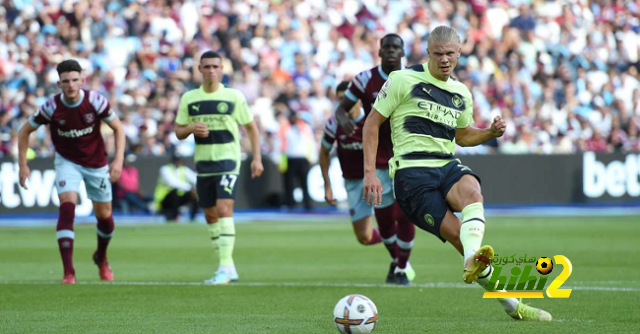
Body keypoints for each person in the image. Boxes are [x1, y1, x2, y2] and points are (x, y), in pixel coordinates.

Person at [362, 26, 552, 321]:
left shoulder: (461, 93)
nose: (444, 59)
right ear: (428, 53)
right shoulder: (402, 80)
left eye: (450, 53)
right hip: (412, 174)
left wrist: (489, 132)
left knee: (474, 193)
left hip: (446, 163)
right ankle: (514, 306)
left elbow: (462, 135)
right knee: (463, 242)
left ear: (460, 53)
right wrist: (370, 173)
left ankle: (474, 262)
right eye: (438, 54)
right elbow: (371, 124)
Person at [17, 59, 125, 284]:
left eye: (75, 80)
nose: (71, 85)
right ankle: (69, 272)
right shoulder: (51, 107)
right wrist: (23, 164)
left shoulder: (95, 100)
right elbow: (24, 131)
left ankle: (101, 257)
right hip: (67, 162)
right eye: (66, 81)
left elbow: (118, 128)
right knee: (67, 207)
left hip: (96, 163)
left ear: (82, 80)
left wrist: (118, 161)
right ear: (59, 84)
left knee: (105, 217)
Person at [174, 51, 264, 285]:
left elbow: (251, 128)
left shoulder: (234, 96)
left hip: (228, 160)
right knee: (210, 215)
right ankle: (229, 266)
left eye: (215, 66)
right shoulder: (189, 98)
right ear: (199, 69)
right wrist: (191, 128)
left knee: (225, 210)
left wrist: (257, 158)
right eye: (207, 66)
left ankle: (223, 268)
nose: (211, 70)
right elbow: (178, 131)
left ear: (222, 68)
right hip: (203, 164)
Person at [334, 34, 416, 285]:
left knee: (404, 215)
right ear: (379, 51)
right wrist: (344, 119)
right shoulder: (364, 79)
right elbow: (340, 109)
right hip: (378, 160)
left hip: (406, 157)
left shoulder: (414, 78)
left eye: (396, 47)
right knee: (384, 218)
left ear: (402, 52)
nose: (391, 51)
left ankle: (402, 267)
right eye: (387, 47)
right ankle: (397, 259)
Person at [153, 152, 198, 221]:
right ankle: (174, 216)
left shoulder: (183, 169)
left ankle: (193, 217)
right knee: (175, 192)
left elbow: (194, 178)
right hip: (164, 199)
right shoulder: (165, 169)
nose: (178, 162)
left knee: (195, 193)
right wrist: (190, 188)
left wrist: (196, 188)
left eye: (179, 160)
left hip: (179, 198)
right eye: (176, 160)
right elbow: (173, 183)